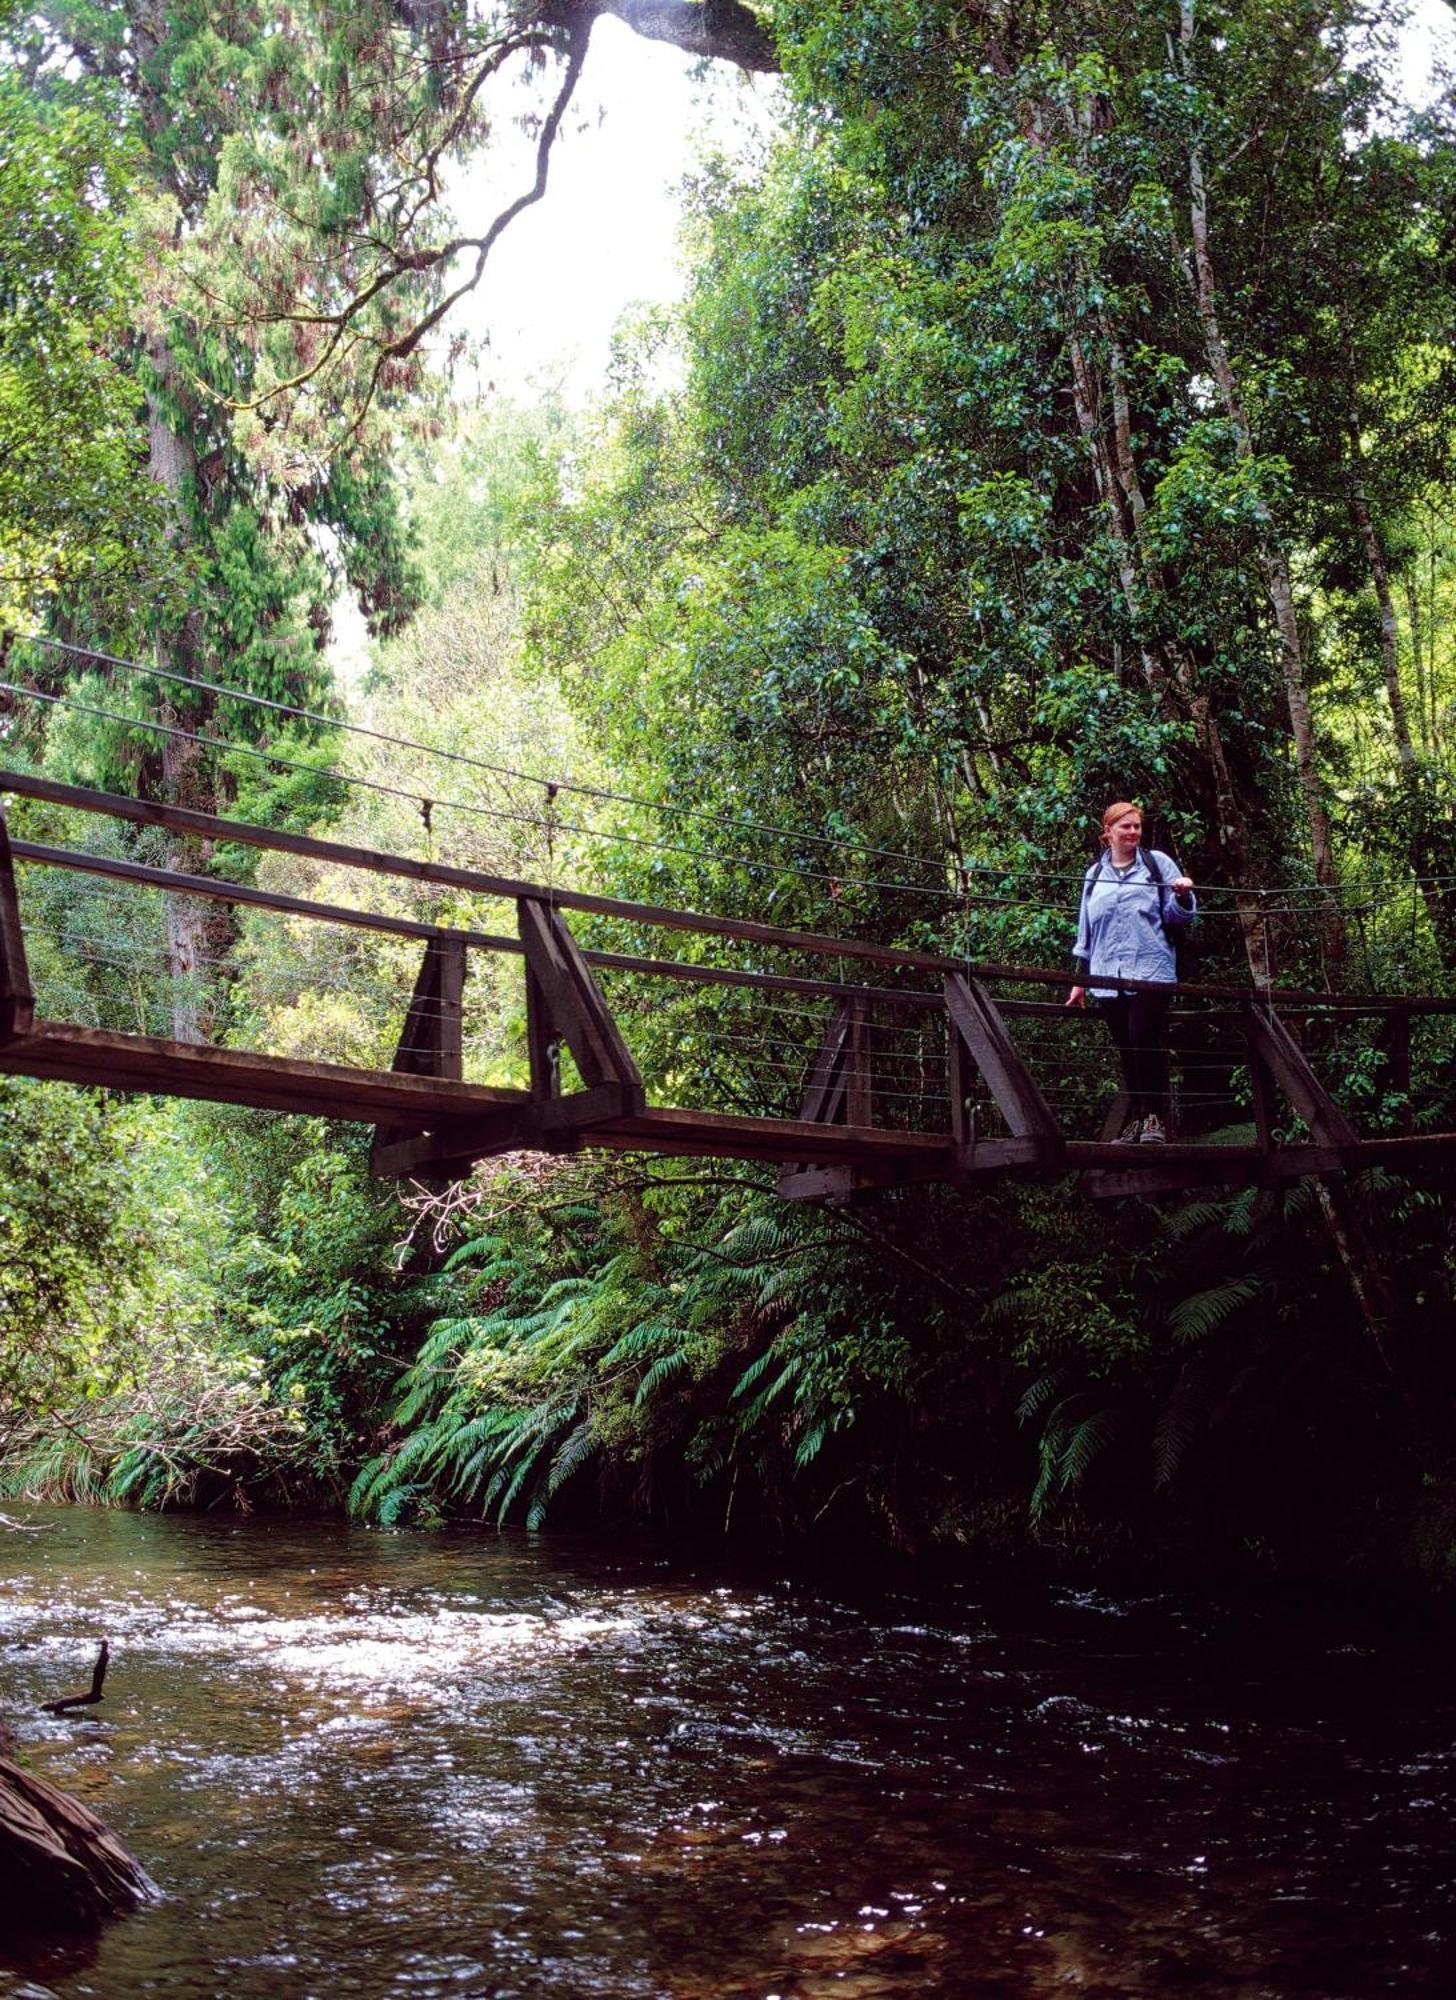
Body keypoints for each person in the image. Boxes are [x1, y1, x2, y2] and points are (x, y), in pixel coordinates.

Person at [1066, 801, 1196, 1143]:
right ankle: (1138, 1121)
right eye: (1126, 827)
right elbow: (1086, 931)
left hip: (1152, 969)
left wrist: (1182, 895)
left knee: (1142, 1037)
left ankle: (1154, 1119)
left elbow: (1178, 917)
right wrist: (1080, 982)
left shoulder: (1158, 865)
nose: (1134, 832)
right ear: (1108, 832)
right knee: (1126, 1047)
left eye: (1137, 826)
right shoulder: (1094, 875)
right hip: (1107, 975)